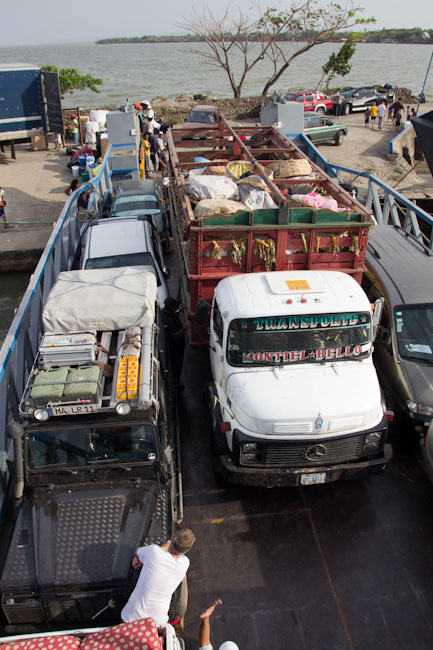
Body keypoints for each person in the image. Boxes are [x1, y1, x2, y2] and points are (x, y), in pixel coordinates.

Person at [121, 528, 196, 627]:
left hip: (131, 616)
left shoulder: (154, 551)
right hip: (157, 622)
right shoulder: (185, 563)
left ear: (173, 539)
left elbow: (137, 552)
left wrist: (164, 546)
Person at [163, 297, 188, 391]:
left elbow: (173, 314)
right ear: (170, 307)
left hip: (177, 346)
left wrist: (178, 311)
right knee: (177, 367)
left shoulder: (166, 313)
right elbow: (174, 336)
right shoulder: (169, 321)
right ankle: (176, 385)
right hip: (176, 348)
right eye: (174, 307)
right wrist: (184, 329)